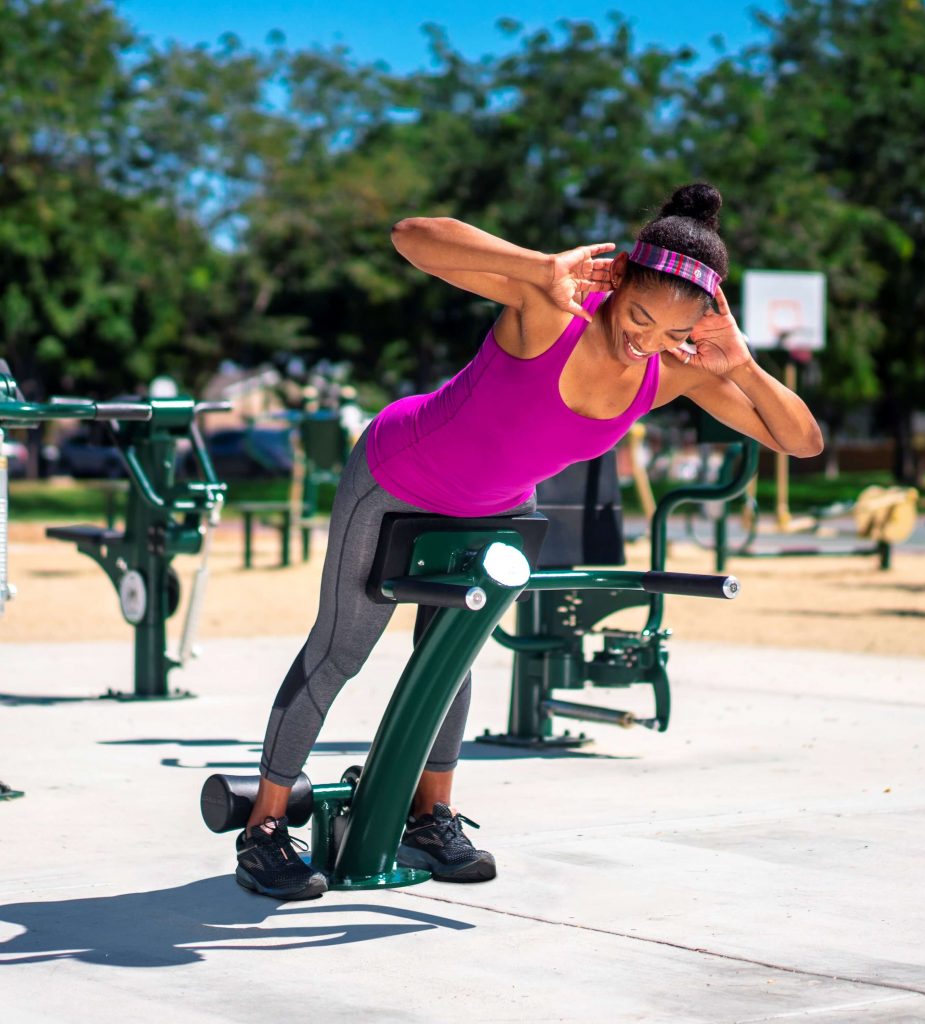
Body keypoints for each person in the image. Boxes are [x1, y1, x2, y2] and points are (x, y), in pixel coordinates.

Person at [234, 183, 823, 900]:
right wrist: (533, 266)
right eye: (638, 316)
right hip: (396, 476)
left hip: (492, 509)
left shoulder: (672, 374)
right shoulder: (550, 311)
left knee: (448, 659)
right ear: (618, 281)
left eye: (670, 333)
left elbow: (801, 440)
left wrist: (742, 366)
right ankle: (264, 830)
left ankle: (431, 817)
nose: (645, 339)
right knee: (339, 652)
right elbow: (410, 235)